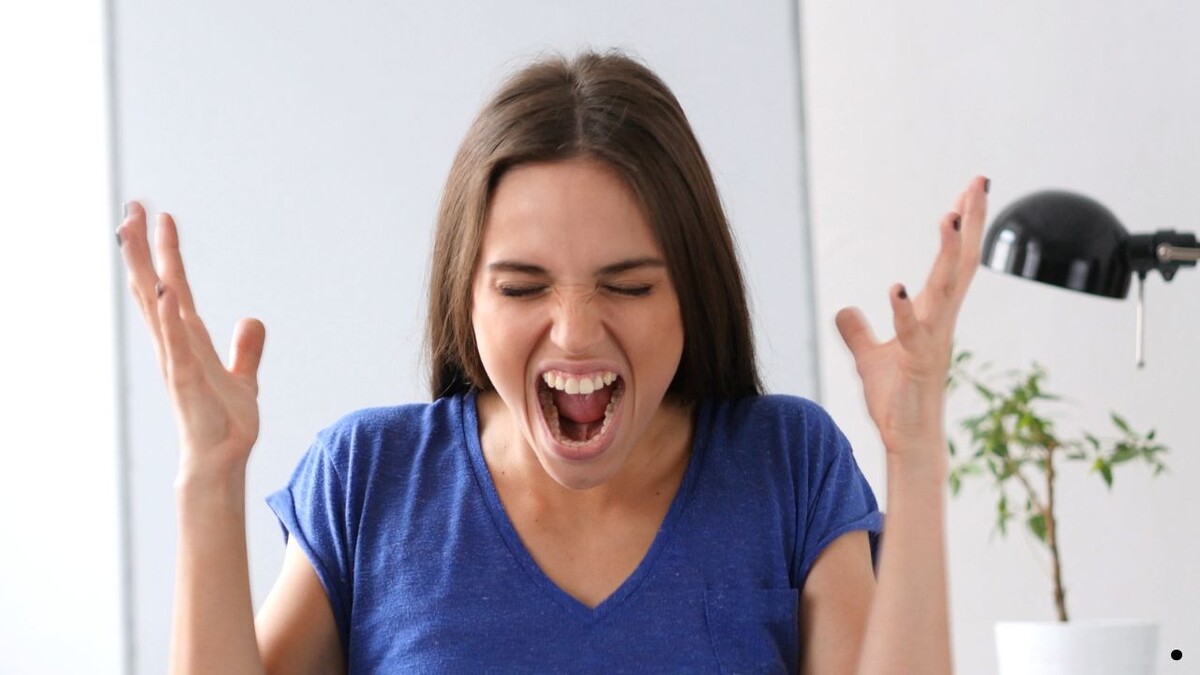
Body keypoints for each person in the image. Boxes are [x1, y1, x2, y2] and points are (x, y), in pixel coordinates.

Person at [117, 50, 986, 673]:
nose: (574, 331)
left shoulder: (787, 465)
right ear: (466, 298)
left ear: (694, 293)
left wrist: (915, 455)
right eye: (524, 286)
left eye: (628, 286)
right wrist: (208, 474)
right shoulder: (369, 478)